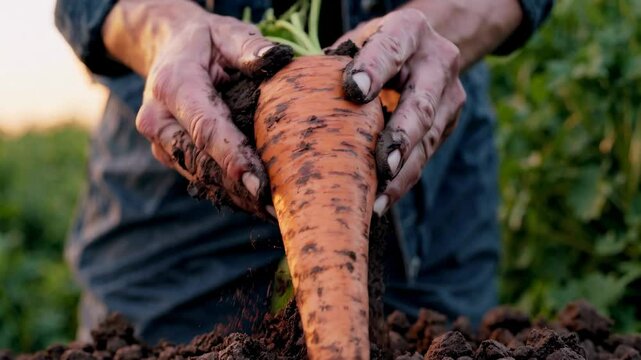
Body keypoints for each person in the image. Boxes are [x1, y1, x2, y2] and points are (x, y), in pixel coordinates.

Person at [55, 0, 553, 344]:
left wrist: (439, 23)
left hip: (420, 157)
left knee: (438, 340)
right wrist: (165, 29)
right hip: (182, 166)